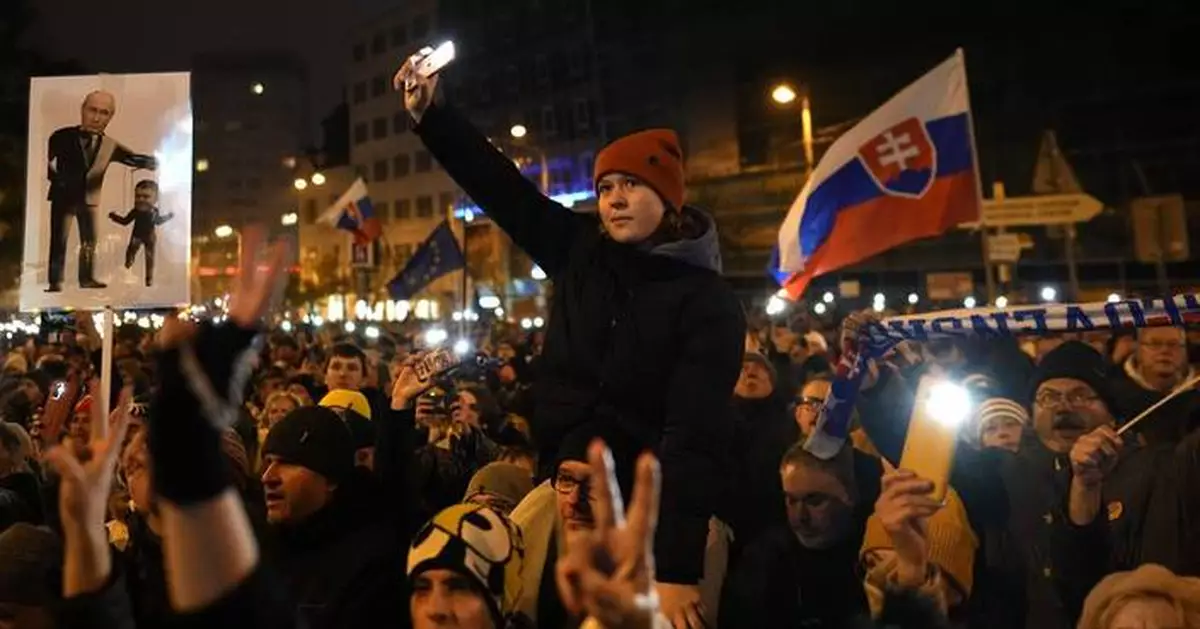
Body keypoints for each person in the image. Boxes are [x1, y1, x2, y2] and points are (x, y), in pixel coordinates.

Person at [396, 53, 746, 626]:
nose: (615, 198)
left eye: (633, 184)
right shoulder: (578, 250)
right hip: (559, 486)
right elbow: (503, 190)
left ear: (669, 199)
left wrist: (677, 568)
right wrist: (433, 115)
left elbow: (695, 435)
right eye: (606, 185)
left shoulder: (706, 301)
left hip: (650, 510)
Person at [45, 90, 157, 292]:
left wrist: (156, 160)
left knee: (89, 241)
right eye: (93, 110)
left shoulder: (110, 145)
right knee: (58, 239)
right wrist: (59, 180)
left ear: (110, 117)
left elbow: (132, 158)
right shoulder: (61, 136)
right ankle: (55, 281)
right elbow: (46, 162)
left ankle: (86, 278)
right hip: (63, 197)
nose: (97, 117)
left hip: (89, 199)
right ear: (83, 109)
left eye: (104, 113)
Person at [108, 179, 174, 287]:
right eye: (138, 196)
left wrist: (168, 217)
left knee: (149, 259)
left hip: (149, 237)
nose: (141, 200)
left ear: (155, 199)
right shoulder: (136, 211)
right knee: (130, 253)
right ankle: (127, 268)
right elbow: (125, 221)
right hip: (137, 236)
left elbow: (158, 221)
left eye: (146, 197)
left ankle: (149, 279)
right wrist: (114, 217)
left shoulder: (154, 212)